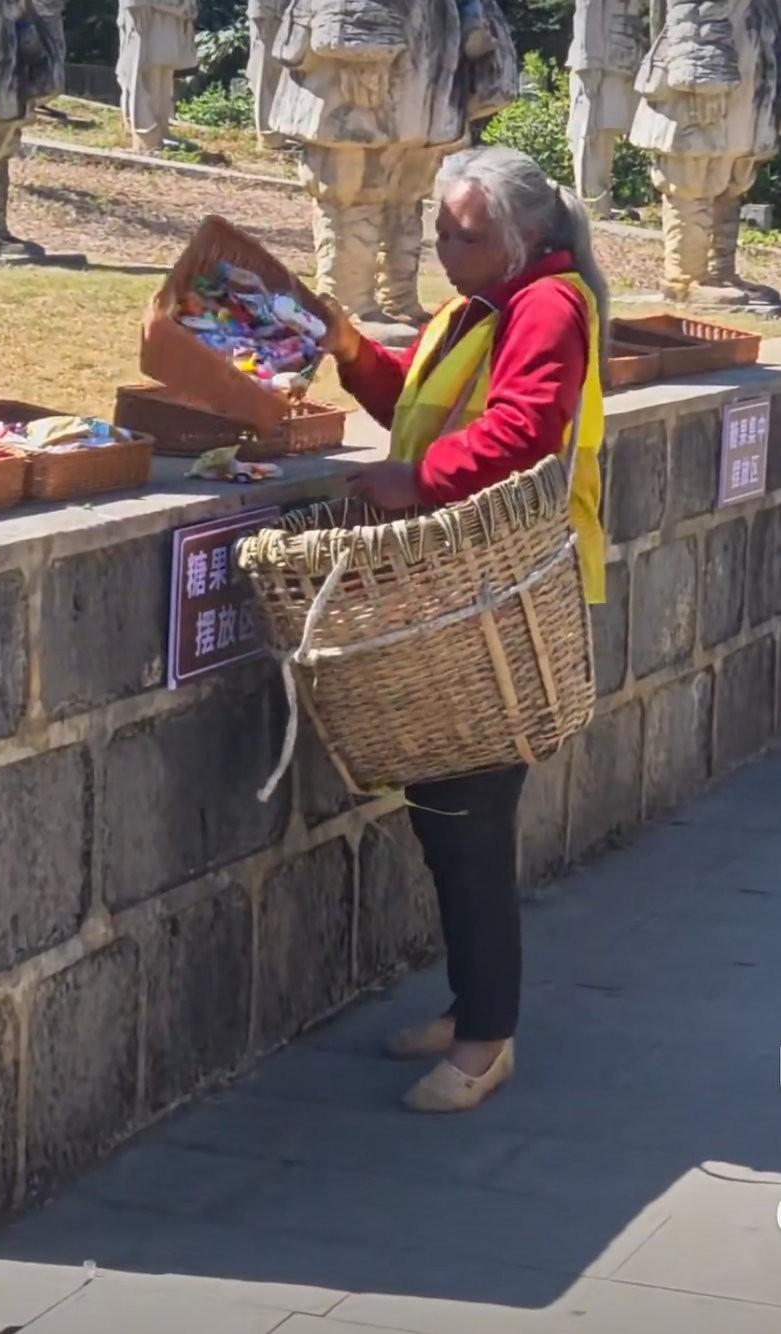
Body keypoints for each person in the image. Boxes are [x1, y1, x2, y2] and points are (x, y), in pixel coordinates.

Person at [322, 145, 608, 1114]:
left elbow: (524, 428)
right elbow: (416, 401)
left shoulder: (547, 306)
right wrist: (353, 352)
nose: (445, 248)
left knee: (471, 817)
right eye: (440, 231)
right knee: (446, 810)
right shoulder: (482, 306)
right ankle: (470, 1008)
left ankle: (487, 1040)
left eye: (464, 234)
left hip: (501, 597)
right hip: (459, 589)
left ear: (519, 239)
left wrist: (419, 481)